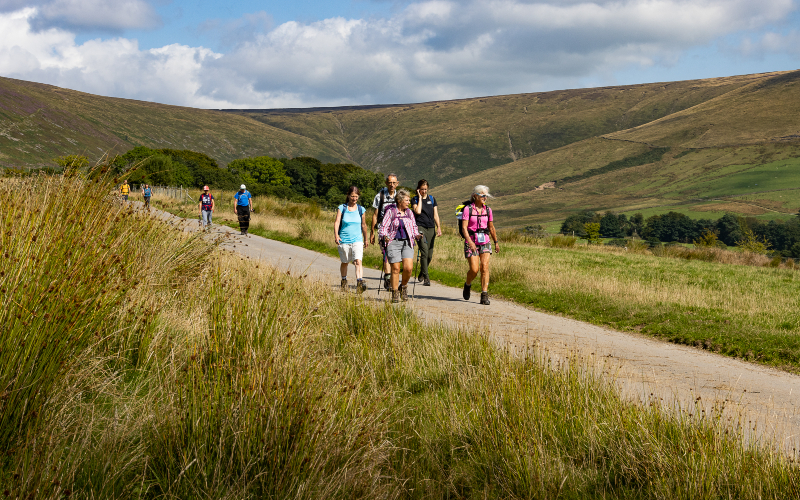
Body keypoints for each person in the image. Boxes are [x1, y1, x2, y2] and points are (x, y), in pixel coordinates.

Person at [379, 189, 421, 303]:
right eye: (407, 200)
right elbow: (383, 227)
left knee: (408, 268)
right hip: (393, 242)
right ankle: (395, 292)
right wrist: (385, 236)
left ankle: (403, 286)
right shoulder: (391, 212)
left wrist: (417, 235)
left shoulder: (409, 213)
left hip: (408, 242)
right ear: (399, 201)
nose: (409, 202)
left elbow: (414, 227)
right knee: (396, 269)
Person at [461, 185, 500, 305]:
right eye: (483, 195)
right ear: (475, 196)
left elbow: (491, 227)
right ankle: (468, 284)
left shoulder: (488, 210)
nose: (485, 197)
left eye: (486, 195)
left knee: (485, 266)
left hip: (485, 240)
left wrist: (496, 242)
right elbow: (464, 227)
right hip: (471, 240)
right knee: (474, 269)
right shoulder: (468, 209)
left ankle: (484, 295)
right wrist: (470, 242)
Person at [334, 186, 369, 293]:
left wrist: (366, 239)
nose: (354, 198)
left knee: (358, 261)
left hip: (357, 240)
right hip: (344, 239)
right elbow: (337, 222)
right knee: (345, 262)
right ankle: (344, 281)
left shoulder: (361, 209)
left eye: (356, 196)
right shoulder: (342, 208)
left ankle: (359, 282)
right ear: (348, 195)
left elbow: (364, 225)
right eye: (352, 196)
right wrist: (336, 235)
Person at [410, 179, 442, 286]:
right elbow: (418, 211)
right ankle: (427, 278)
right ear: (418, 189)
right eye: (422, 189)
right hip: (419, 227)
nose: (424, 191)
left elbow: (435, 214)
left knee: (429, 255)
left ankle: (422, 272)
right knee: (424, 251)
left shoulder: (432, 199)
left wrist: (439, 227)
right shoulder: (414, 199)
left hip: (431, 228)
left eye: (425, 189)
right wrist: (419, 198)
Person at [370, 173, 399, 290]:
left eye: (394, 183)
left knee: (395, 254)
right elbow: (375, 215)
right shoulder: (380, 196)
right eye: (390, 183)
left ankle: (392, 276)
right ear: (386, 183)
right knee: (386, 252)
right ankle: (388, 278)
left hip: (397, 228)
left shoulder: (399, 197)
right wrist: (372, 232)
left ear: (397, 184)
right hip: (383, 228)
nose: (392, 185)